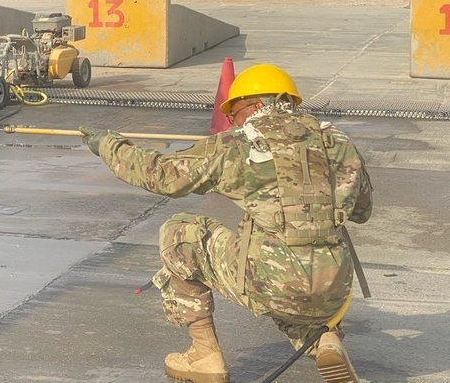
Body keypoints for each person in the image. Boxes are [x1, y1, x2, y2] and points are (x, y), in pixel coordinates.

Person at [80, 63, 372, 383]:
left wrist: (108, 144)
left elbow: (161, 175)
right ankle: (324, 338)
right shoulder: (338, 141)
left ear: (257, 106)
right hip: (334, 287)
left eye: (234, 114)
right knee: (305, 261)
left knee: (180, 232)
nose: (232, 122)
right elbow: (362, 211)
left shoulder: (240, 143)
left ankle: (204, 356)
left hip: (273, 283)